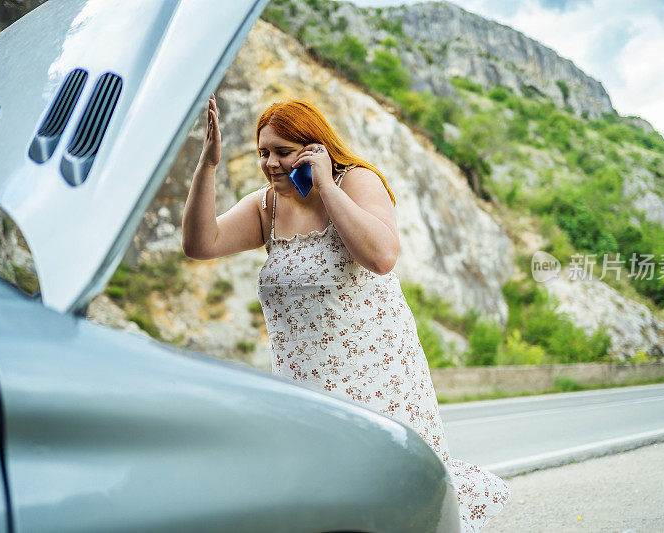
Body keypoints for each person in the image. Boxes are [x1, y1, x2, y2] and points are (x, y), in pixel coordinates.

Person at [182, 95, 511, 532]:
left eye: (282, 151)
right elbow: (200, 244)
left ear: (314, 147)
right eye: (264, 152)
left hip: (376, 381)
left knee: (388, 504)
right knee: (318, 506)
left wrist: (326, 187)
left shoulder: (357, 181)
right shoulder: (266, 206)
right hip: (304, 389)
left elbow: (381, 256)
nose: (271, 163)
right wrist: (208, 164)